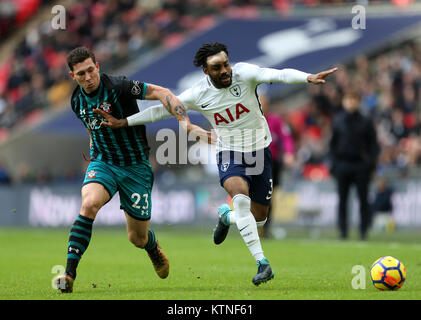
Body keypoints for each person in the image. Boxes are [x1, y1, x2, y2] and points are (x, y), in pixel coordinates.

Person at [95, 42, 337, 285]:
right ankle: (262, 264)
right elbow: (161, 110)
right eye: (217, 67)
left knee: (259, 217)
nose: (225, 71)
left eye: (226, 64)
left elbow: (278, 74)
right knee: (240, 199)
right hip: (229, 151)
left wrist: (308, 77)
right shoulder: (198, 94)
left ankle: (226, 217)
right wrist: (124, 122)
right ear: (206, 71)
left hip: (260, 150)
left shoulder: (244, 73)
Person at [54, 46, 211, 293]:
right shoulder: (76, 100)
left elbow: (162, 92)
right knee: (89, 205)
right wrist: (95, 150)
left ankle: (152, 247)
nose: (87, 77)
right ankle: (69, 273)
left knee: (136, 237)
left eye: (90, 70)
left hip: (136, 167)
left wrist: (186, 123)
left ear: (98, 67)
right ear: (73, 76)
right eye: (81, 74)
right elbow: (91, 128)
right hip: (104, 162)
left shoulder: (119, 87)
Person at [329, 90, 380, 240]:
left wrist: (370, 163)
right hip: (343, 164)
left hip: (360, 165)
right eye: (348, 99)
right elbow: (332, 144)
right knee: (342, 200)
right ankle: (343, 231)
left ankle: (364, 230)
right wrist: (335, 164)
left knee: (363, 199)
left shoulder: (366, 121)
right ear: (344, 102)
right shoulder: (338, 120)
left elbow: (373, 145)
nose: (351, 103)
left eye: (354, 99)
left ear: (358, 102)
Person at [260, 95, 295, 238]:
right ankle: (254, 226)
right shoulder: (248, 120)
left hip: (271, 163)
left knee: (270, 196)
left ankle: (265, 228)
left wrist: (289, 153)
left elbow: (286, 137)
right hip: (253, 161)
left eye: (264, 103)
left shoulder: (275, 121)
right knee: (252, 195)